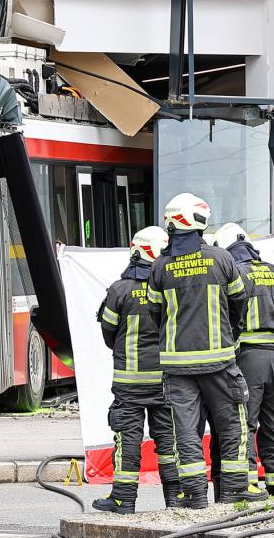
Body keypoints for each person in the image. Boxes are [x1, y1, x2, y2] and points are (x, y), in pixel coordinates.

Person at [148, 193, 266, 507]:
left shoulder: (160, 267)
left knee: (186, 433)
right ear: (201, 222)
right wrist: (230, 336)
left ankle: (196, 496)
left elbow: (154, 314)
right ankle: (233, 494)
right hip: (221, 365)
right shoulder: (222, 260)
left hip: (177, 369)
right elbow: (239, 303)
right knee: (233, 428)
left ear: (172, 223)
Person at [92, 226, 185, 515]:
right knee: (169, 441)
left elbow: (108, 333)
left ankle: (123, 500)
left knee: (128, 440)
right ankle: (176, 500)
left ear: (137, 251)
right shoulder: (171, 287)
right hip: (165, 381)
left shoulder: (120, 290)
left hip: (129, 383)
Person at [214, 223, 274, 495]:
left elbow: (228, 318)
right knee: (272, 421)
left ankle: (249, 480)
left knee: (245, 421)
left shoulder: (236, 273)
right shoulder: (272, 270)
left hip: (250, 355)